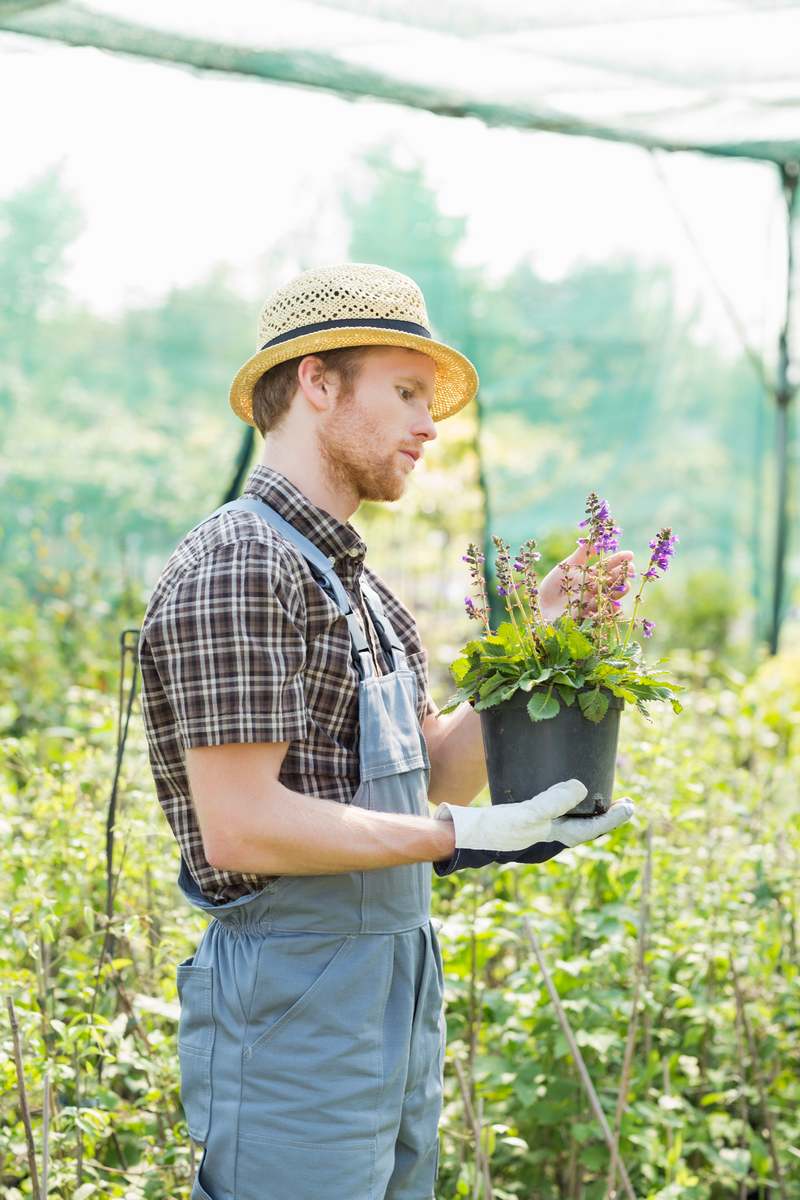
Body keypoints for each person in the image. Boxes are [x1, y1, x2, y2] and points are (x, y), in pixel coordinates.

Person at [137, 262, 636, 1200]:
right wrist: (460, 840)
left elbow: (438, 776)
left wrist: (538, 644)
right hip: (293, 1014)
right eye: (404, 392)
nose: (429, 424)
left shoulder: (361, 588)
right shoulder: (240, 567)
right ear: (318, 384)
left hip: (393, 995)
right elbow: (240, 825)